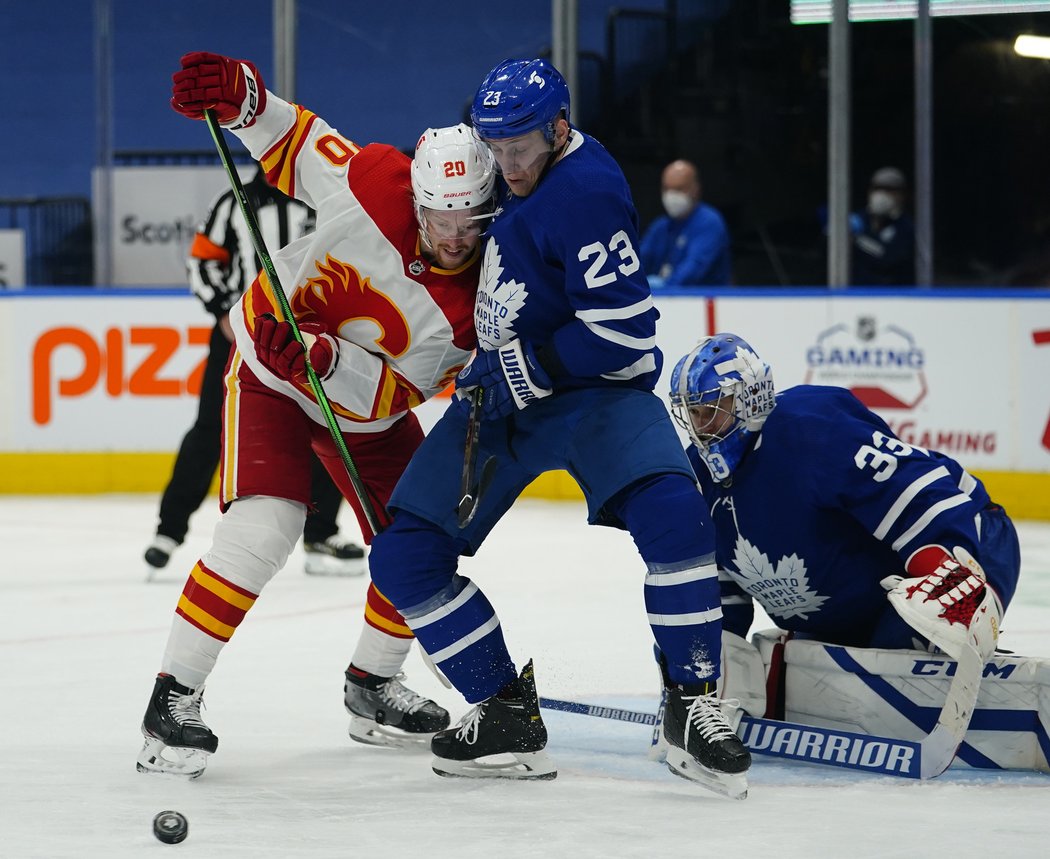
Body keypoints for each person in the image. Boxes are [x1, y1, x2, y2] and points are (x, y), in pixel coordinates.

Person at [366, 58, 751, 797]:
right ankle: (505, 713)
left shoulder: (587, 193)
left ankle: (691, 703)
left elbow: (628, 332)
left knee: (676, 518)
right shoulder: (487, 163)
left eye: (520, 147)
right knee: (404, 559)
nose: (506, 164)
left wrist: (526, 365)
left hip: (592, 394)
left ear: (559, 127)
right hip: (502, 395)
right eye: (495, 145)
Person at [136, 50, 498, 778]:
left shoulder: (478, 304)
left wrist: (330, 361)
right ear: (416, 195)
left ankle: (373, 682)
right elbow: (293, 139)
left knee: (419, 538)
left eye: (472, 223)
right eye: (438, 218)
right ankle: (172, 698)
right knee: (264, 526)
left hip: (358, 406)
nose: (454, 239)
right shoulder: (375, 179)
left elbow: (400, 394)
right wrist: (242, 97)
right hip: (270, 369)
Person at [667, 332, 1020, 656]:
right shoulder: (699, 476)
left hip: (968, 536)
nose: (702, 428)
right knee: (796, 661)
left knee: (916, 631)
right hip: (855, 610)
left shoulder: (812, 429)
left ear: (750, 398)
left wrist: (950, 580)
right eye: (694, 413)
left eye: (714, 409)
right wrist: (699, 667)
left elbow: (921, 496)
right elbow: (719, 597)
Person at [143, 166, 367, 578]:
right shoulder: (233, 203)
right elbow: (203, 262)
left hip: (310, 339)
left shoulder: (321, 201)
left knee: (329, 426)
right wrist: (223, 313)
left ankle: (321, 532)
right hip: (240, 335)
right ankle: (168, 531)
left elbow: (348, 263)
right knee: (210, 429)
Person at [639, 159, 732, 288]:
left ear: (696, 189)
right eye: (666, 189)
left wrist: (666, 286)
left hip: (703, 300)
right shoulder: (661, 226)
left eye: (679, 189)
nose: (671, 196)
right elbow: (639, 261)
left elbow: (692, 269)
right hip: (665, 300)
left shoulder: (709, 222)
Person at [850, 166, 916, 286]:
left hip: (892, 295)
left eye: (889, 190)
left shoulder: (907, 227)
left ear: (902, 194)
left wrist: (857, 239)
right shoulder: (857, 219)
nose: (881, 194)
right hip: (855, 293)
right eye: (877, 189)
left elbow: (888, 259)